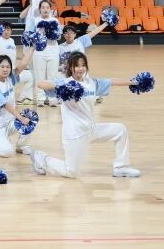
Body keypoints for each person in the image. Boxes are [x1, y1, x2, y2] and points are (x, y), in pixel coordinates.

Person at [30, 51, 142, 179]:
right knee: (71, 172)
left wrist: (134, 83)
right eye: (77, 66)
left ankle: (121, 167)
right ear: (71, 68)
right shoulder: (65, 82)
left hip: (91, 129)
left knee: (120, 130)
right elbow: (40, 84)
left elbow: (111, 81)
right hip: (75, 134)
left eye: (83, 65)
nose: (81, 68)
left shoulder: (91, 83)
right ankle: (41, 158)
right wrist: (63, 86)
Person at [0, 51, 37, 157]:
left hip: (9, 123)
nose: (5, 69)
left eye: (8, 67)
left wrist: (33, 47)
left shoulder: (9, 79)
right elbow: (6, 105)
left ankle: (21, 146)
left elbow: (22, 65)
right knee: (7, 152)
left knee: (31, 117)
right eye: (2, 67)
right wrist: (21, 118)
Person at [25, 0, 62, 106]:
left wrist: (52, 34)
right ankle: (40, 98)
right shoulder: (35, 20)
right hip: (39, 52)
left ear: (50, 9)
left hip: (53, 51)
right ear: (40, 9)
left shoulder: (55, 21)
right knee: (39, 75)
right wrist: (37, 36)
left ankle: (52, 98)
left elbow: (59, 36)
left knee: (52, 75)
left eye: (47, 7)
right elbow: (30, 35)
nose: (45, 9)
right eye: (43, 7)